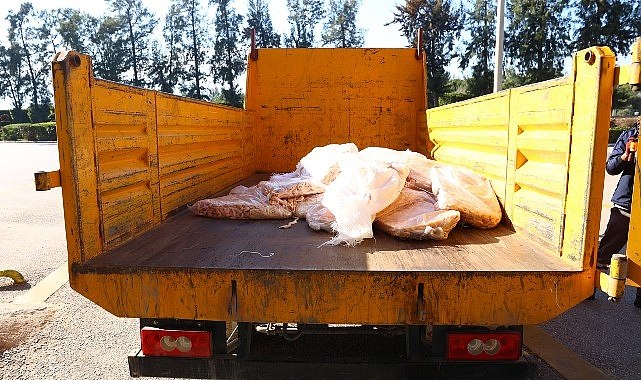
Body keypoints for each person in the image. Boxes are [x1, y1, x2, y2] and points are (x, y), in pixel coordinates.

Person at [596, 113, 640, 308]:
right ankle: (589, 288)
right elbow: (611, 167)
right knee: (606, 251)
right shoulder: (630, 136)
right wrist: (625, 156)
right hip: (626, 204)